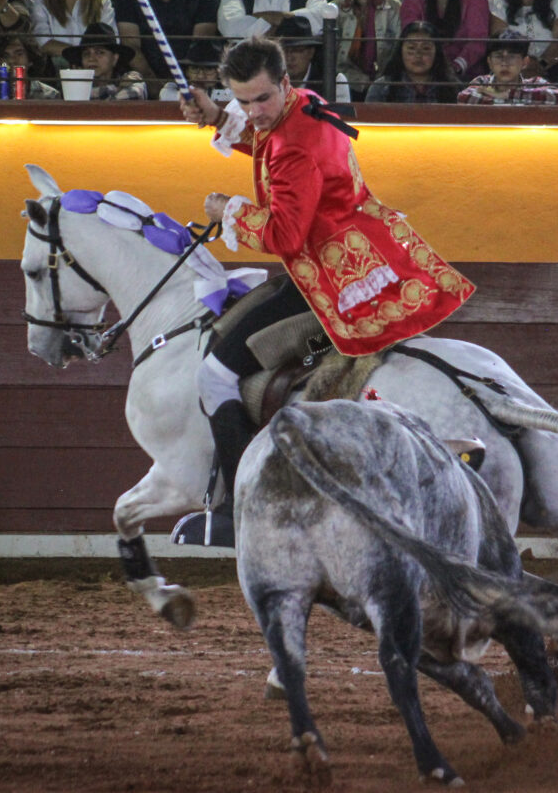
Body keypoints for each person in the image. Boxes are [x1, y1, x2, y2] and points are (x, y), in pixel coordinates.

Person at [179, 34, 474, 536]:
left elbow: (285, 235)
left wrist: (227, 210)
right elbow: (267, 135)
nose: (254, 112)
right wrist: (215, 116)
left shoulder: (294, 148)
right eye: (243, 101)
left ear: (284, 82)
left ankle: (241, 515)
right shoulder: (308, 106)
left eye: (262, 99)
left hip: (329, 282)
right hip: (371, 261)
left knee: (215, 375)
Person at [331, 0, 401, 99]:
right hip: (344, 82)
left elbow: (399, 49)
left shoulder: (395, 8)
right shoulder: (335, 9)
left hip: (384, 83)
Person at [457, 30, 558, 105]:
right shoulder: (482, 81)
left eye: (511, 57)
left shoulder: (535, 82)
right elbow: (464, 97)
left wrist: (503, 95)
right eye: (499, 57)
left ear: (525, 62)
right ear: (489, 62)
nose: (504, 63)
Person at [365, 19, 460, 102]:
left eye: (426, 48)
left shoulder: (453, 88)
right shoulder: (381, 88)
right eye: (411, 48)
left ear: (437, 52)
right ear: (400, 51)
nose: (418, 55)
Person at [269, 15, 351, 99]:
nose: (289, 57)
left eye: (297, 50)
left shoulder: (335, 81)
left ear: (311, 52)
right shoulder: (268, 80)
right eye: (284, 50)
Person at [63, 21, 148, 99]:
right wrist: (117, 89)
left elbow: (133, 93)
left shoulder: (131, 78)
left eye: (99, 52)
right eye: (86, 54)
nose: (91, 58)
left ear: (115, 59)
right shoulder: (72, 87)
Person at [0, 32, 60, 98]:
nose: (12, 60)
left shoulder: (49, 95)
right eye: (5, 56)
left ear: (31, 59)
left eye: (19, 54)